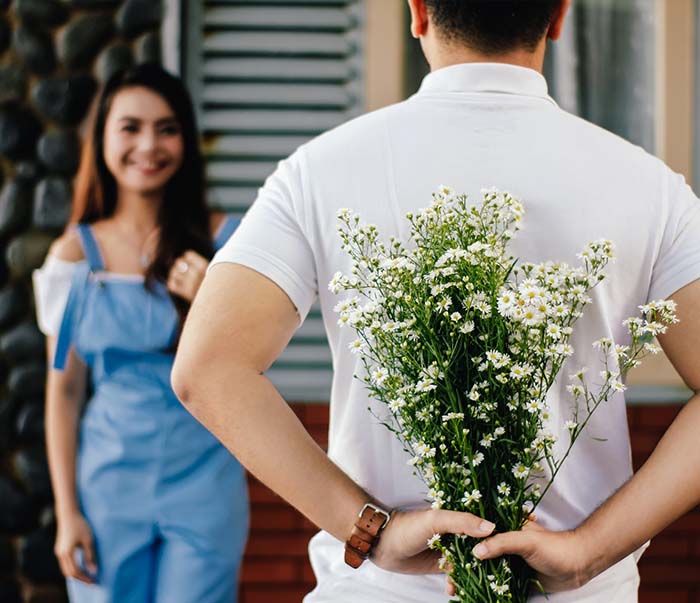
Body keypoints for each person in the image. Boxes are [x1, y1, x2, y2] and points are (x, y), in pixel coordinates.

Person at [170, 1, 700, 602]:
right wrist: (587, 552)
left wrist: (370, 530)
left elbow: (206, 370)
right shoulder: (650, 185)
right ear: (558, 17)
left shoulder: (318, 170)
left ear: (417, 12)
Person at [33, 64, 248, 603]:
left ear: (187, 141)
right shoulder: (74, 256)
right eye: (130, 127)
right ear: (102, 136)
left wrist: (210, 305)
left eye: (167, 128)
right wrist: (67, 512)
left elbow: (254, 369)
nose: (148, 145)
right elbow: (63, 390)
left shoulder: (228, 243)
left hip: (206, 481)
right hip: (107, 486)